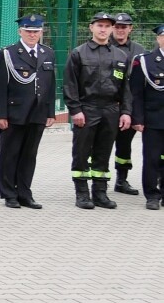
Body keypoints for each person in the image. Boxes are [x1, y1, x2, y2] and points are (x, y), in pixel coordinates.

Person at [64, 13, 133, 210]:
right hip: (87, 108)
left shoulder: (120, 56)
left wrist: (126, 112)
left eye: (107, 26)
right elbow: (70, 84)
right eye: (99, 25)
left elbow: (126, 88)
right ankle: (82, 194)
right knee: (81, 151)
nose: (103, 29)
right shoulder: (78, 53)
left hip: (111, 109)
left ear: (111, 29)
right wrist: (75, 110)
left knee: (103, 152)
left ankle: (100, 193)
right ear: (91, 27)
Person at [0, 15, 56, 209]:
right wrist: (0, 114)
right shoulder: (8, 53)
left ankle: (24, 193)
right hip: (15, 112)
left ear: (41, 32)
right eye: (28, 31)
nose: (32, 35)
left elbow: (50, 85)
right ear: (20, 31)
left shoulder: (47, 53)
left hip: (38, 112)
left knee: (29, 155)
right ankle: (9, 193)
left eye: (36, 31)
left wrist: (50, 112)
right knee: (10, 154)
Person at [110, 13, 147, 195]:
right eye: (117, 26)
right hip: (107, 105)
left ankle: (121, 180)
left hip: (130, 106)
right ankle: (96, 182)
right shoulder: (104, 46)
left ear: (130, 29)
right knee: (99, 145)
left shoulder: (140, 50)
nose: (120, 30)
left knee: (124, 145)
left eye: (123, 27)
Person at [129, 24, 164, 210]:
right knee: (152, 159)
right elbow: (136, 92)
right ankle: (152, 195)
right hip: (153, 119)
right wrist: (138, 118)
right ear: (158, 39)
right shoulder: (145, 61)